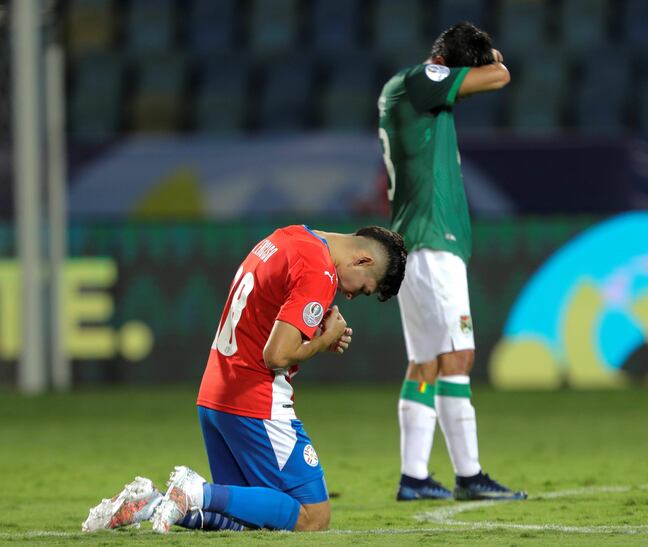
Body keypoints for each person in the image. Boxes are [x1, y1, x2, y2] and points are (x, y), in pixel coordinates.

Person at [83, 224, 408, 533]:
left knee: (249, 515)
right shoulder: (319, 270)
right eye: (364, 288)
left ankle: (149, 504)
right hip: (255, 401)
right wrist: (323, 342)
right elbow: (276, 355)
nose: (351, 296)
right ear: (363, 260)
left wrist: (318, 328)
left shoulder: (288, 237)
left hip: (216, 396)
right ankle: (197, 491)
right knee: (314, 516)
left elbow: (264, 307)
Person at [377, 22, 526, 502]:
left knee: (424, 361)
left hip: (415, 242)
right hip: (432, 241)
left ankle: (414, 477)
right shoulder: (421, 79)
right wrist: (484, 64)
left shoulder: (415, 94)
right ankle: (470, 474)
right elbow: (500, 76)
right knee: (457, 356)